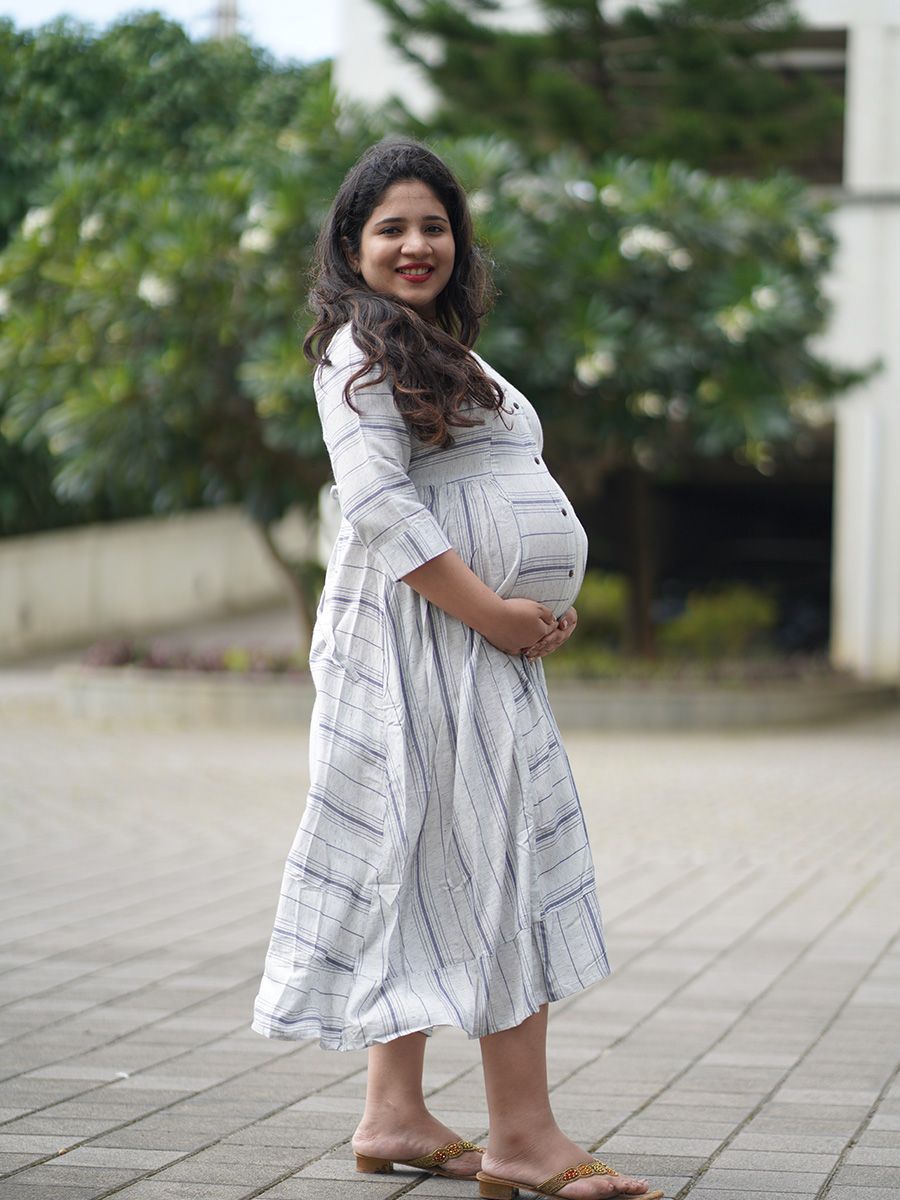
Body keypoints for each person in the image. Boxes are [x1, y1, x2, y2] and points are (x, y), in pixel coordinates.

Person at [252, 140, 663, 1200]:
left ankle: (393, 1114)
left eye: (433, 224)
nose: (416, 243)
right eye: (390, 227)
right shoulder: (356, 351)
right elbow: (380, 506)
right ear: (351, 247)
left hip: (470, 642)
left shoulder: (434, 349)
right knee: (493, 860)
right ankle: (523, 1136)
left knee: (429, 854)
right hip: (423, 644)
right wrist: (492, 611)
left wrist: (529, 610)